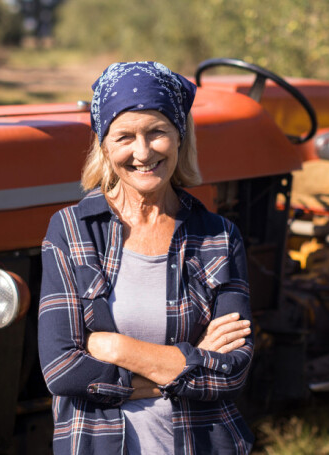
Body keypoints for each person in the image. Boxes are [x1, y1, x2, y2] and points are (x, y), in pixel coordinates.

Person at [38, 61, 254, 454]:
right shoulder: (71, 231)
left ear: (180, 136)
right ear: (103, 145)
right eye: (124, 137)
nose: (142, 152)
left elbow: (233, 369)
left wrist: (116, 348)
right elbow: (61, 369)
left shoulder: (220, 237)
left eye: (157, 132)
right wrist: (188, 362)